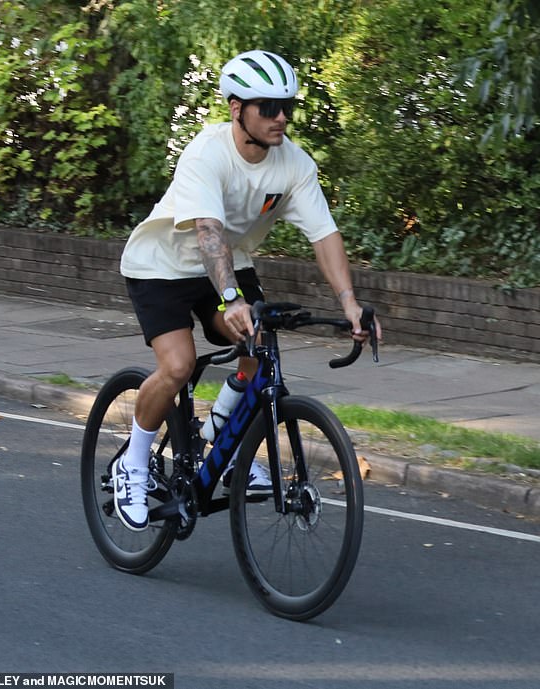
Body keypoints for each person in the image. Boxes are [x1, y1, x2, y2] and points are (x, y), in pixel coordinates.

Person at [117, 49, 382, 531]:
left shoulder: (294, 164)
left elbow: (324, 234)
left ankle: (220, 445)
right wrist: (230, 299)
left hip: (226, 264)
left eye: (288, 107)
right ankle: (132, 463)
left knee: (258, 346)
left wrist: (349, 303)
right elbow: (208, 231)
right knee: (176, 366)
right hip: (161, 264)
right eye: (268, 107)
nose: (282, 117)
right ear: (236, 107)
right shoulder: (207, 151)